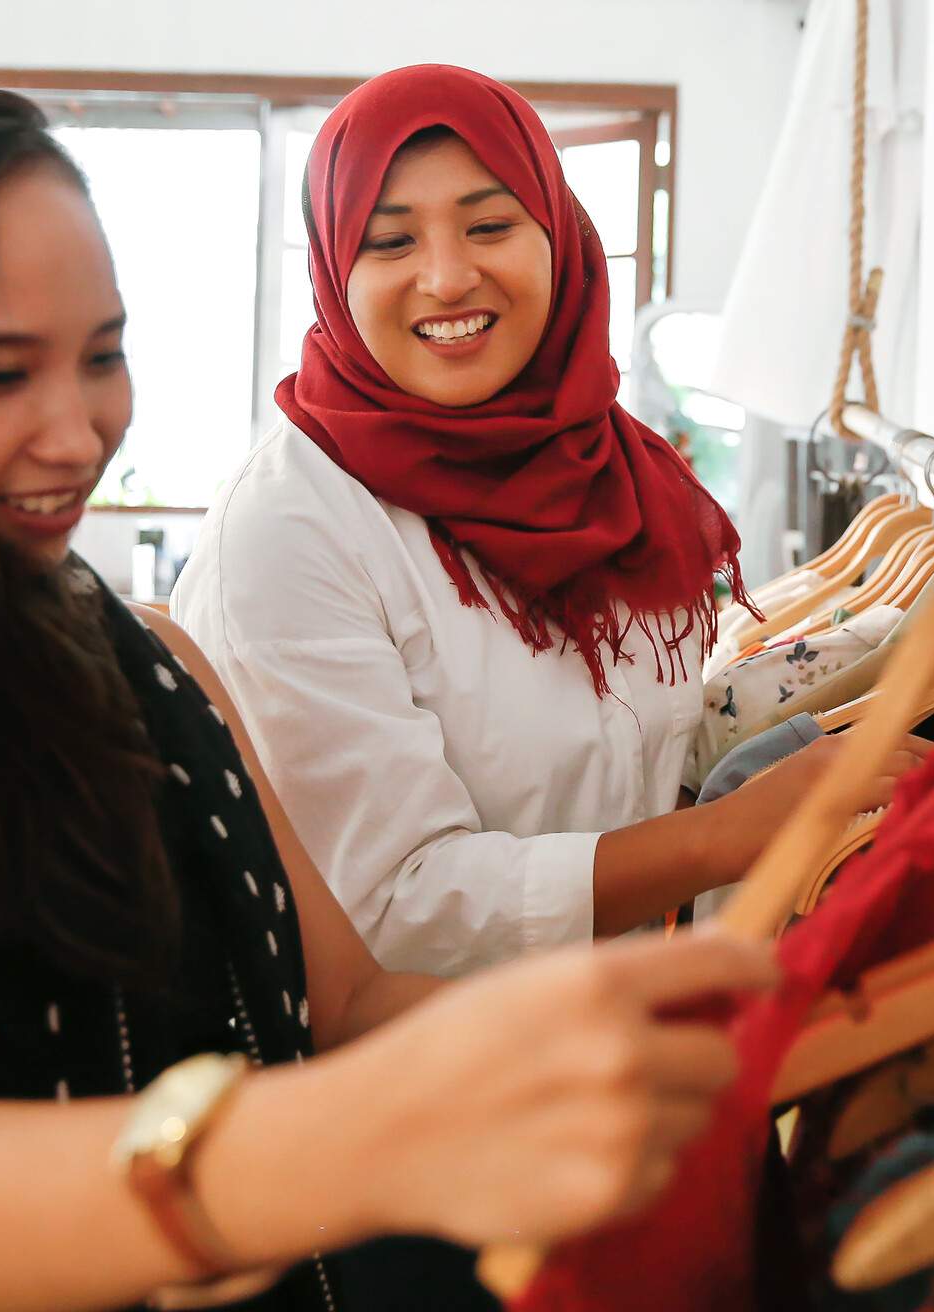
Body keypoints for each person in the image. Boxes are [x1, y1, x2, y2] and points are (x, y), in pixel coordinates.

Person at [0, 82, 778, 1312]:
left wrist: (598, 1044)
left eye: (102, 358)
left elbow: (340, 997)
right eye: (1, 374)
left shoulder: (150, 659)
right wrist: (384, 1129)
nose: (77, 432)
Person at [174, 66, 852, 977]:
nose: (448, 277)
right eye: (389, 241)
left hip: (644, 1032)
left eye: (490, 226)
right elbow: (385, 909)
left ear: (559, 236)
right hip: (444, 1089)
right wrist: (720, 840)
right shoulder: (289, 529)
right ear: (335, 269)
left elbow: (634, 754)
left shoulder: (616, 468)